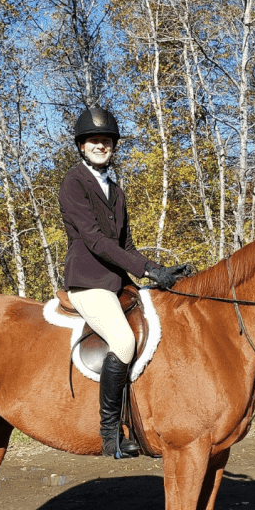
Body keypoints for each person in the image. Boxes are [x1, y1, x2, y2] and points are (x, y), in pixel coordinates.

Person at [58, 106, 190, 459]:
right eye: (93, 141)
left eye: (106, 141)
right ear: (82, 146)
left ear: (112, 146)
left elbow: (125, 246)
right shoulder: (74, 182)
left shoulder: (115, 191)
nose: (100, 146)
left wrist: (160, 273)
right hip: (88, 280)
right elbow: (96, 241)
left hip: (117, 280)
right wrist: (149, 269)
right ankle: (110, 433)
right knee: (122, 340)